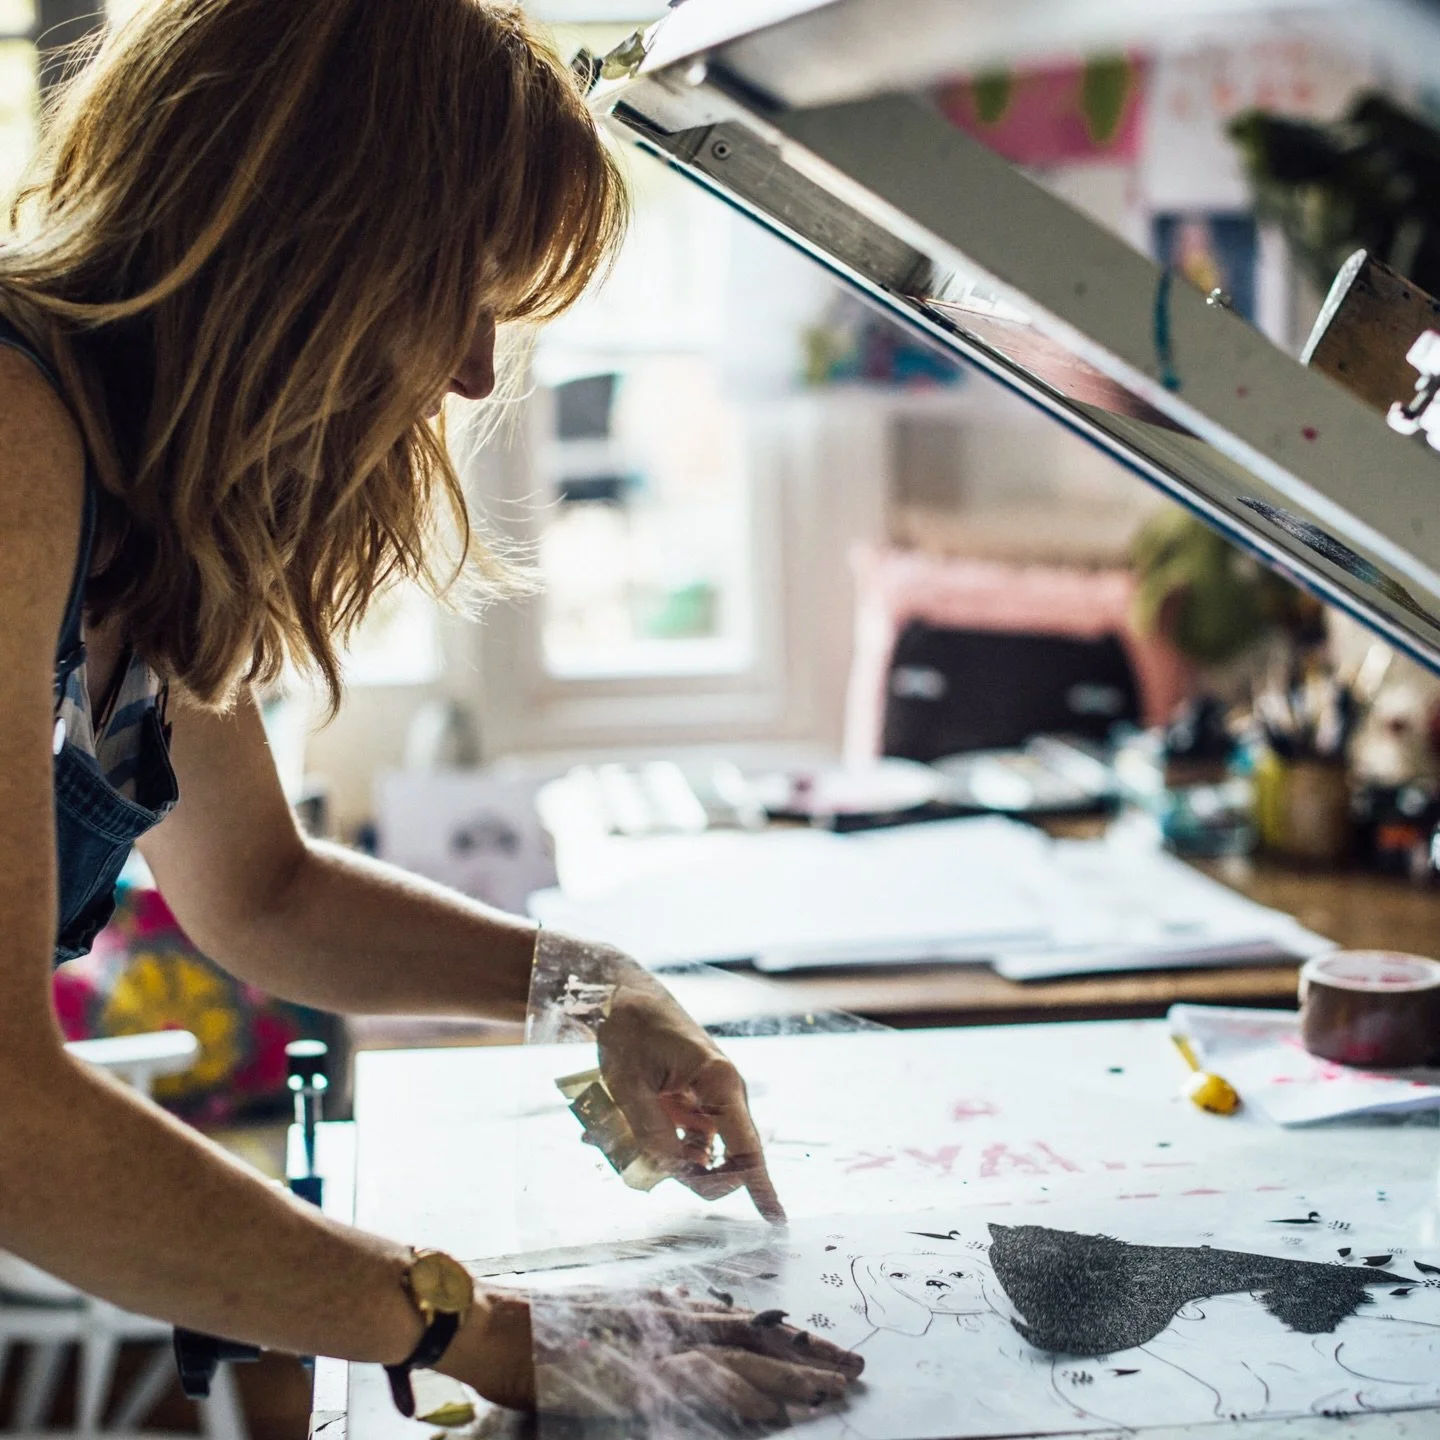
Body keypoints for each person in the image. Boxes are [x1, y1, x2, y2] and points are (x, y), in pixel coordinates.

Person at [0, 0, 862, 1420]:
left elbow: (258, 889)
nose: (470, 369)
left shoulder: (130, 486)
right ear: (306, 242)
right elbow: (11, 1120)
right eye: (457, 286)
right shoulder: (15, 427)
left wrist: (596, 987)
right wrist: (492, 1333)